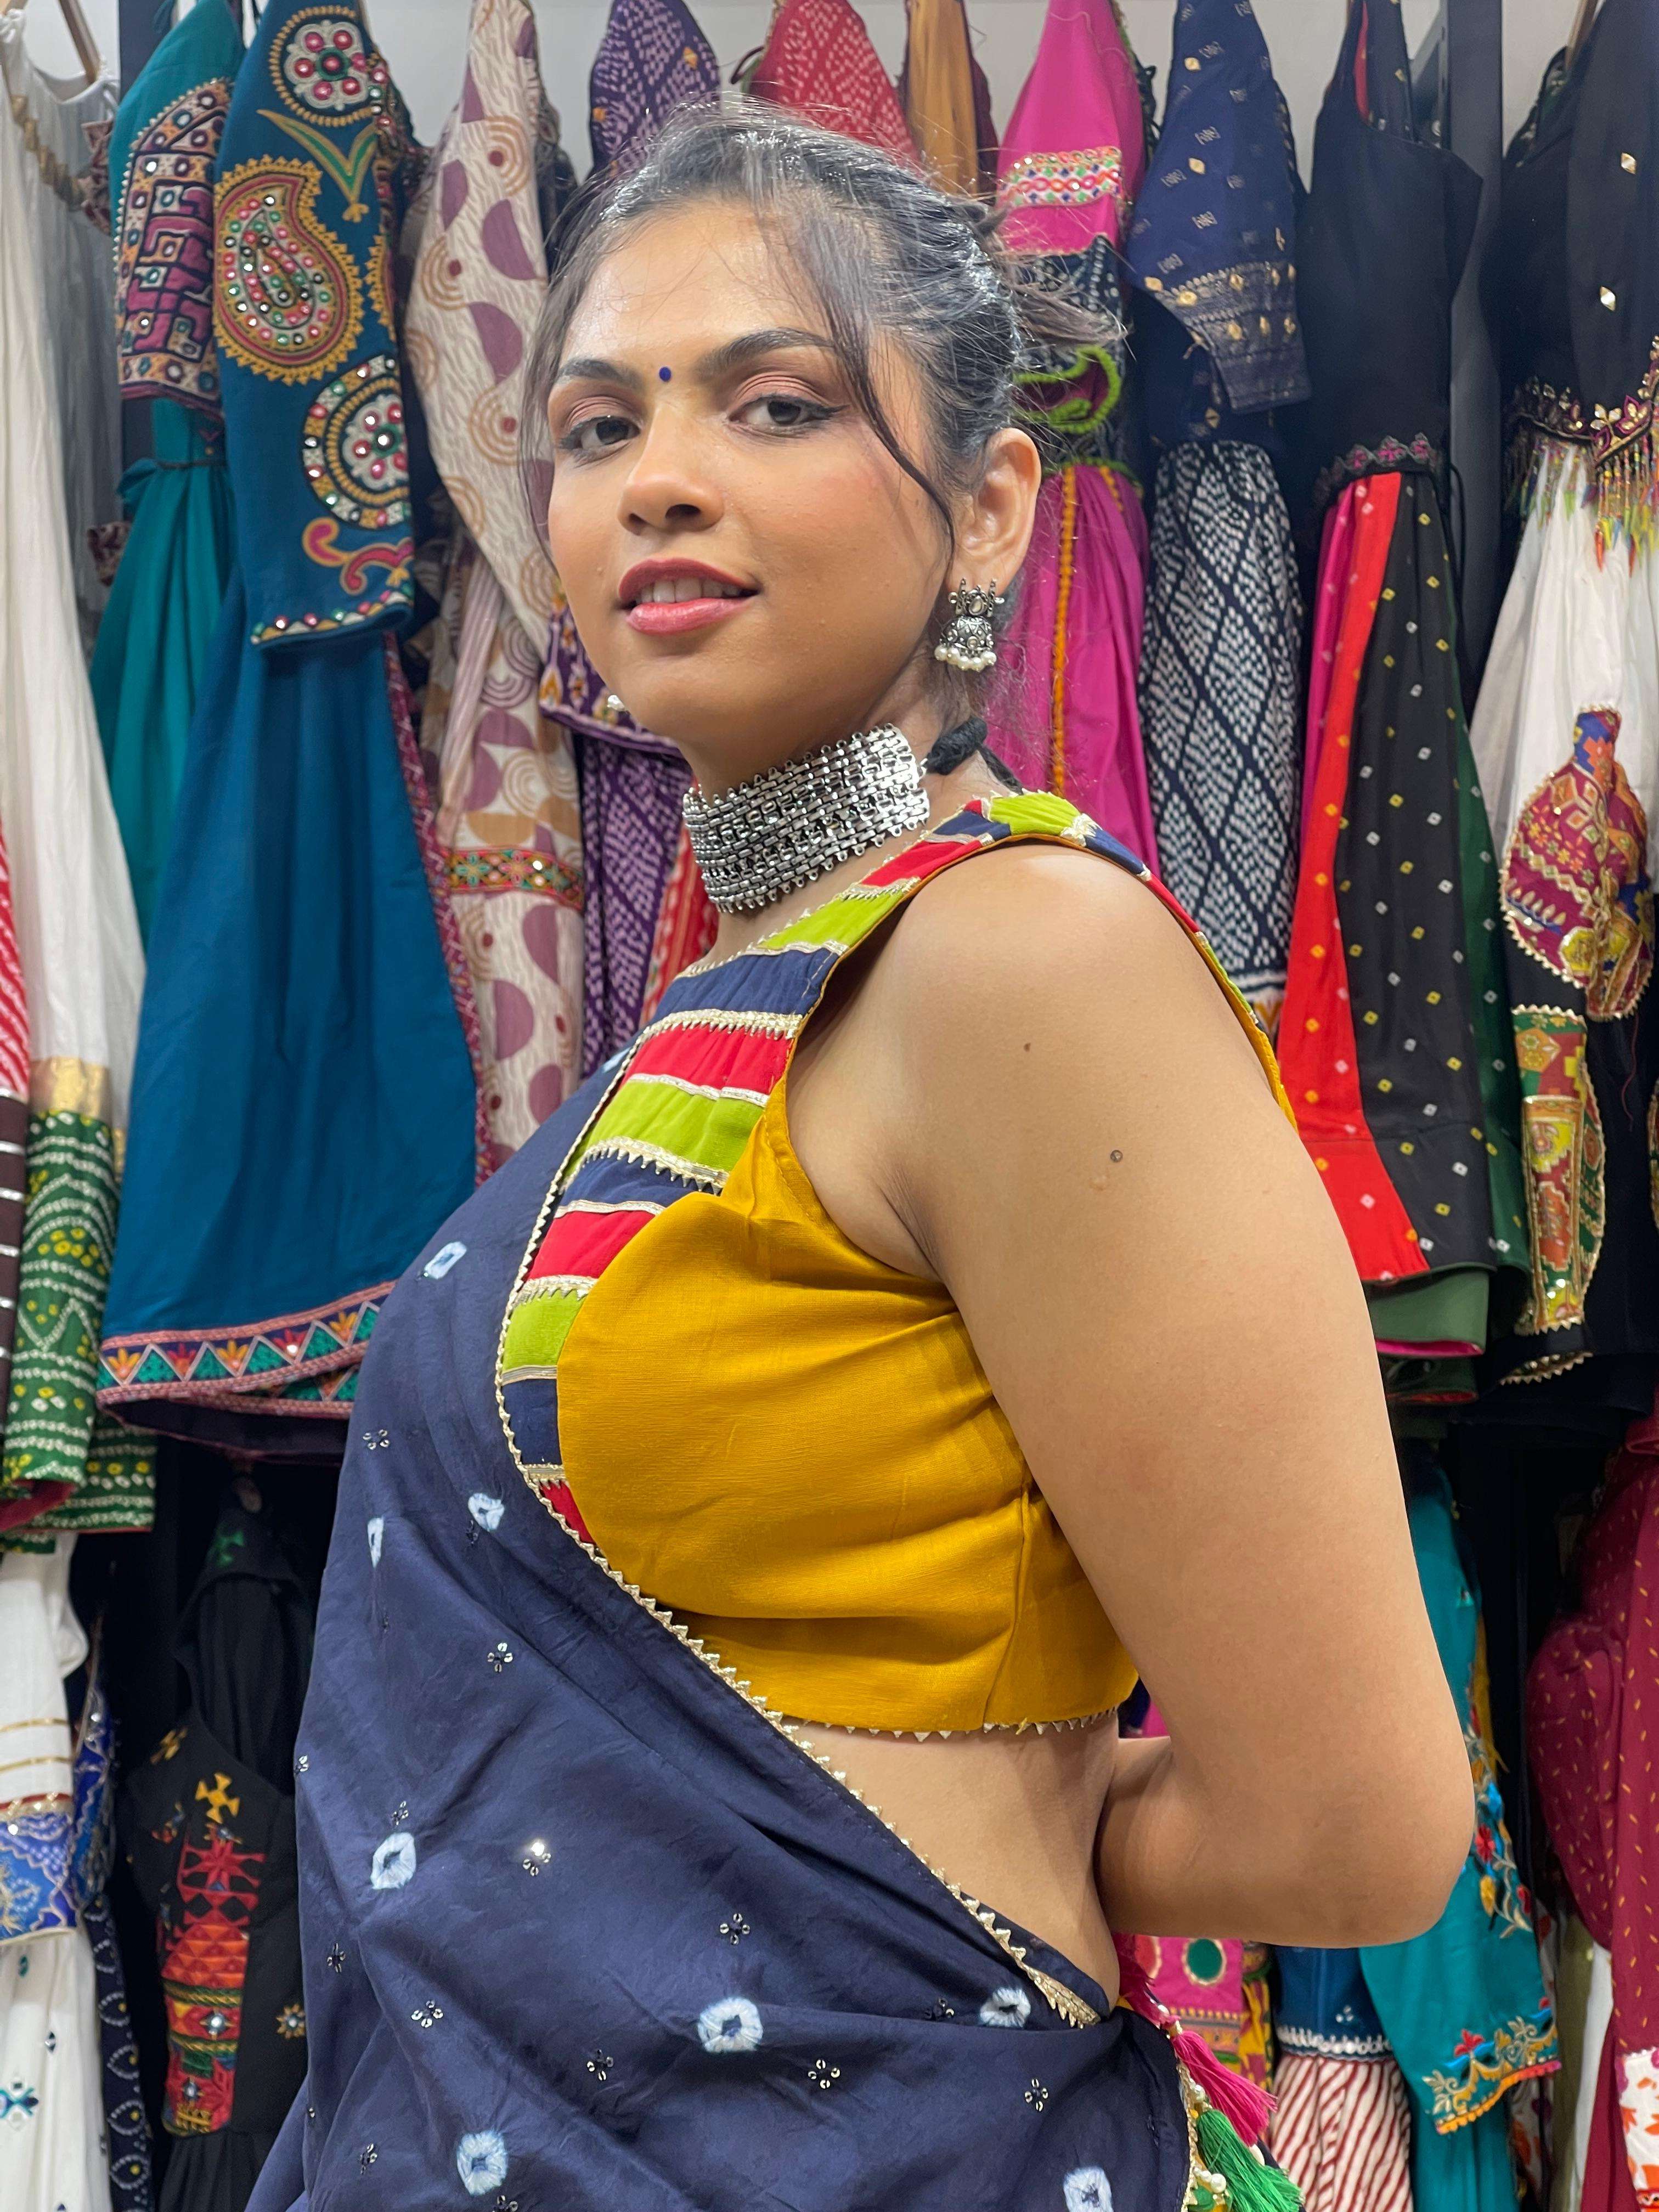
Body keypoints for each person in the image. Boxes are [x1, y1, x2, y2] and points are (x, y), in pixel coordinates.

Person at [251, 107, 1473, 2212]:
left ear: (989, 507)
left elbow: (1355, 1824)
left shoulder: (1022, 960)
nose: (660, 474)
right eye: (597, 424)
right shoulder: (714, 1009)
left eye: (777, 403)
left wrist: (962, 1833)